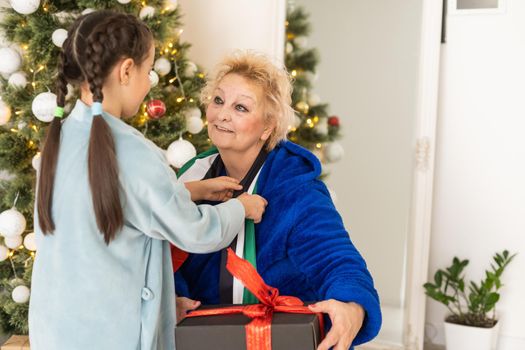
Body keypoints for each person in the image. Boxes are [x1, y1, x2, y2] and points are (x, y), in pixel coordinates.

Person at [28, 11, 266, 350]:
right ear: (126, 70)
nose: (149, 80)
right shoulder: (134, 154)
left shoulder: (60, 139)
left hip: (55, 332)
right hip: (113, 337)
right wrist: (240, 208)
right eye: (148, 70)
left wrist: (189, 190)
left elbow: (108, 201)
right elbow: (195, 231)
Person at [173, 51, 382, 350]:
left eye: (241, 107)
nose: (222, 114)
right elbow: (164, 258)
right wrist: (172, 296)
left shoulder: (298, 190)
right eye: (218, 100)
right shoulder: (190, 180)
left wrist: (352, 306)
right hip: (200, 338)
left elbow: (337, 259)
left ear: (268, 126)